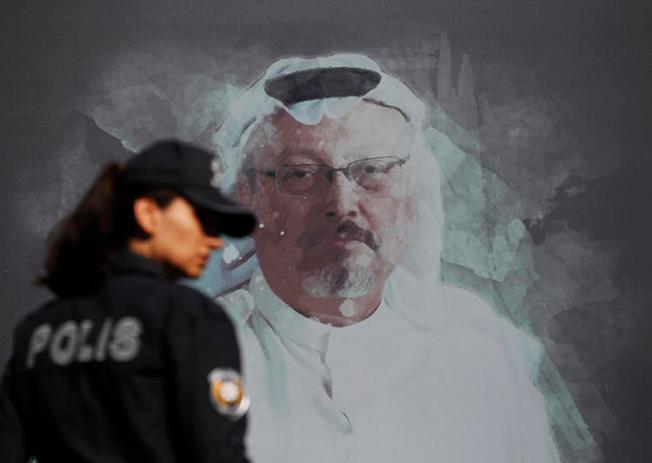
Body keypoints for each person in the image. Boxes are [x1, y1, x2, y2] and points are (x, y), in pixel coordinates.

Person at [206, 54, 562, 462]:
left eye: (372, 170)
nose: (342, 204)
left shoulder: (479, 366)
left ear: (411, 198)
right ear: (247, 200)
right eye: (301, 174)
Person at [0, 140, 256, 462]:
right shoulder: (188, 316)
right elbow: (216, 454)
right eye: (203, 219)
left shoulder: (37, 331)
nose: (215, 240)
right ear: (148, 213)